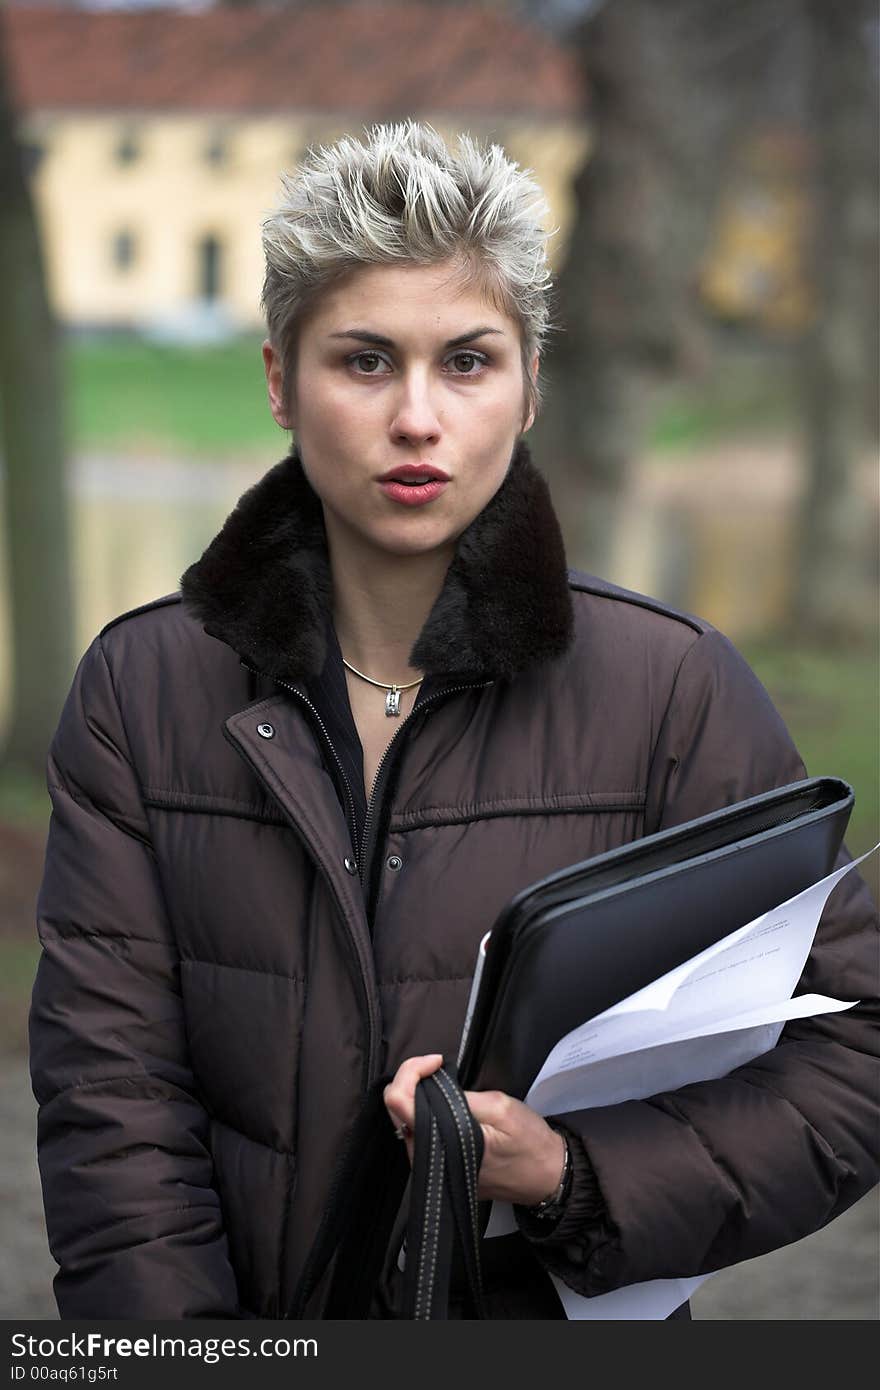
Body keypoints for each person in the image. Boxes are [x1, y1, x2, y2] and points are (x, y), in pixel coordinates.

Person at [30, 121, 878, 1321]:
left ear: (530, 385)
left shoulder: (671, 687)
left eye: (467, 362)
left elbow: (857, 1046)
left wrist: (575, 1176)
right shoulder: (140, 686)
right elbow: (111, 1100)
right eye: (365, 361)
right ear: (280, 378)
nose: (417, 418)